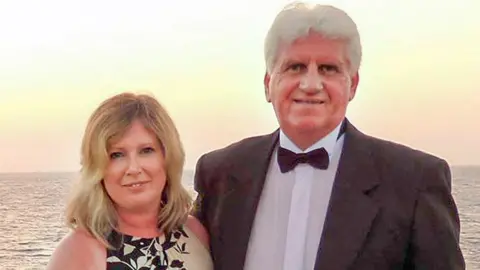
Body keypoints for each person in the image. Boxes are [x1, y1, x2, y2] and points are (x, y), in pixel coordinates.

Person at [192, 2, 465, 270]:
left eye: (328, 69)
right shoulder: (220, 174)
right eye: (295, 67)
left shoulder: (414, 182)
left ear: (353, 85)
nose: (311, 85)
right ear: (268, 84)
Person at [47, 92, 213, 270]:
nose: (133, 168)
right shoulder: (79, 252)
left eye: (146, 150)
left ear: (168, 157)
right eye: (117, 155)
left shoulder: (195, 233)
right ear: (98, 168)